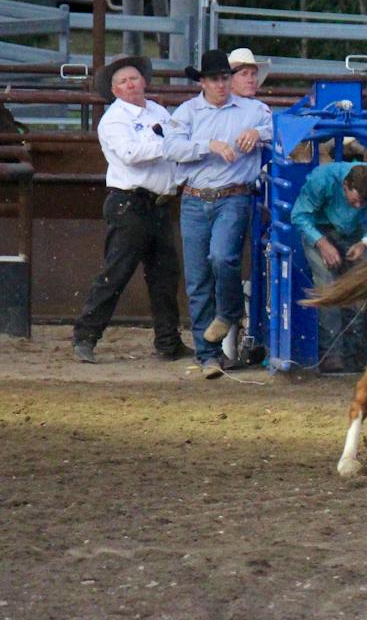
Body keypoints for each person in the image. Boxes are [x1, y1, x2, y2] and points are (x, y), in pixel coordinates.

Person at [69, 54, 189, 364]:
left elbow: (174, 141)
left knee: (165, 276)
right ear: (115, 91)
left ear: (144, 82)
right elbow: (130, 152)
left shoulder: (159, 111)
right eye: (122, 81)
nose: (130, 83)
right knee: (117, 272)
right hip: (130, 202)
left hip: (158, 202)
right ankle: (86, 335)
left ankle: (167, 340)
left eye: (133, 78)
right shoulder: (114, 120)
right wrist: (170, 147)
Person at [166, 48, 273, 378]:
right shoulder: (187, 113)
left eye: (225, 77)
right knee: (198, 277)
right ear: (203, 82)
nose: (221, 84)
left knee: (222, 258)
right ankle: (208, 354)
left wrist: (258, 134)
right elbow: (171, 148)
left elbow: (274, 129)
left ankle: (226, 313)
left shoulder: (253, 110)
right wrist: (209, 145)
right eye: (215, 79)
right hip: (195, 197)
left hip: (232, 196)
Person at [290, 160, 367, 372]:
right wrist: (322, 243)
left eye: (363, 204)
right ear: (345, 186)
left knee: (361, 289)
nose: (358, 207)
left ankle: (356, 355)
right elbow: (299, 215)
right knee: (328, 287)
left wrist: (365, 242)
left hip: (354, 233)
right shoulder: (322, 180)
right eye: (354, 201)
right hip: (318, 230)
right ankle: (331, 355)